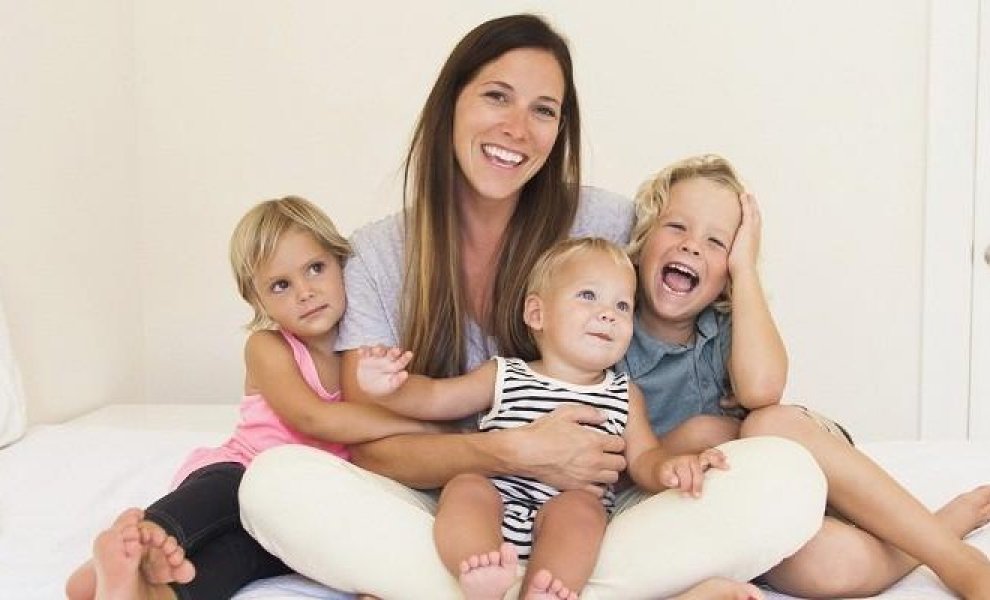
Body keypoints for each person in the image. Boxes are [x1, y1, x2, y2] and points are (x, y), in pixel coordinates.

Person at [239, 14, 827, 599]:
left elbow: (686, 310)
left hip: (589, 514)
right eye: (497, 96)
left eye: (543, 110)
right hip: (450, 509)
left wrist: (691, 440)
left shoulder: (608, 225)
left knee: (786, 478)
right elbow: (376, 453)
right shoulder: (375, 256)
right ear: (450, 104)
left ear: (560, 129)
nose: (517, 129)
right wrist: (512, 450)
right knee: (274, 485)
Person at [621, 153, 990, 599]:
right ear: (642, 240)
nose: (692, 246)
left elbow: (763, 390)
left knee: (766, 421)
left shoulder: (726, 324)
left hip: (802, 452)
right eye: (677, 226)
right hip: (738, 499)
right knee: (831, 565)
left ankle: (955, 559)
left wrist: (745, 271)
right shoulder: (607, 335)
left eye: (717, 242)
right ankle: (940, 527)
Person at [65, 196, 431, 600]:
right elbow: (315, 419)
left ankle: (153, 594)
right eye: (281, 285)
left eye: (316, 268)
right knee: (216, 497)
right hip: (242, 467)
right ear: (258, 301)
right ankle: (143, 543)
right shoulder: (268, 347)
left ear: (342, 264)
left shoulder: (371, 354)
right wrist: (421, 425)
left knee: (243, 558)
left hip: (294, 507)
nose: (305, 292)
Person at [355, 238, 761, 600]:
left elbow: (644, 459)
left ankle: (546, 589)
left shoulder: (624, 394)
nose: (608, 314)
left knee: (583, 509)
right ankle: (479, 571)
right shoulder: (504, 374)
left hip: (568, 525)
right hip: (494, 507)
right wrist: (389, 387)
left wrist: (671, 468)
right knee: (465, 486)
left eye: (622, 306)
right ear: (537, 313)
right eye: (588, 296)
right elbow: (435, 397)